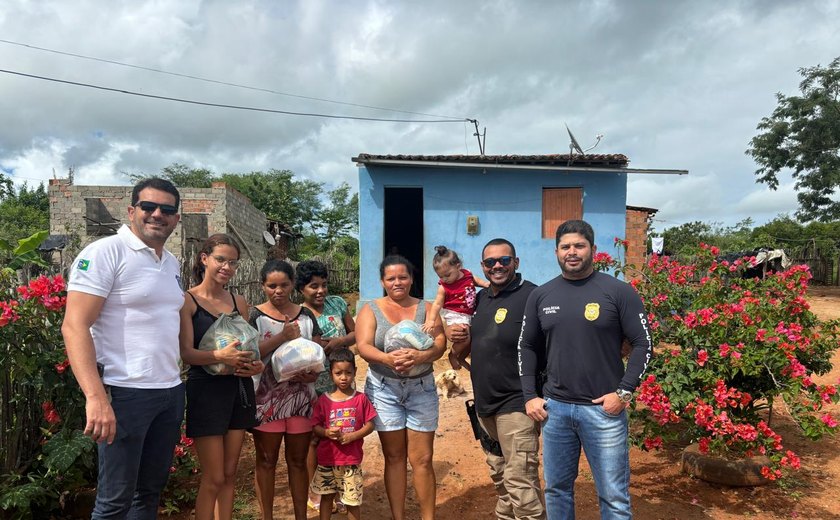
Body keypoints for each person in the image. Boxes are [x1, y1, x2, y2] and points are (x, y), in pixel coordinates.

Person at [62, 177, 186, 519]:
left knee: (148, 493)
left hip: (168, 391)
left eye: (167, 209)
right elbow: (74, 326)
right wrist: (96, 397)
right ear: (132, 211)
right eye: (149, 206)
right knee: (114, 500)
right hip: (125, 393)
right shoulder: (105, 253)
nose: (157, 214)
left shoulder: (171, 263)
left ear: (176, 218)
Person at [519, 220, 653, 520]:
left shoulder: (618, 292)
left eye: (579, 245)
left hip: (604, 411)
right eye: (565, 247)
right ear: (556, 252)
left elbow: (644, 343)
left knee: (614, 496)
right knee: (556, 490)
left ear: (593, 249)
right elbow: (526, 347)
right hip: (555, 411)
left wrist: (624, 392)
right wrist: (529, 395)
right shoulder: (541, 296)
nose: (572, 252)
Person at [447, 238, 546, 520]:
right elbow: (462, 351)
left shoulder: (532, 296)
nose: (497, 266)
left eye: (504, 260)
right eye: (490, 262)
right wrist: (459, 342)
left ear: (516, 262)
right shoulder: (479, 299)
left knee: (520, 481)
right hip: (484, 404)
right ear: (483, 267)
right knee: (500, 476)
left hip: (518, 403)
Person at [178, 234, 264, 520]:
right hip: (207, 393)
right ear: (204, 259)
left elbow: (249, 349)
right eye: (220, 260)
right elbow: (187, 354)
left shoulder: (239, 302)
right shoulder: (188, 301)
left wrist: (255, 366)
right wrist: (218, 357)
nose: (227, 267)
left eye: (233, 262)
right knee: (213, 477)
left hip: (238, 390)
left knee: (229, 475)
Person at [355, 255, 446, 520]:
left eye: (403, 277)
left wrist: (420, 357)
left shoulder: (427, 308)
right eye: (391, 278)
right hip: (385, 390)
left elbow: (440, 343)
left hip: (421, 387)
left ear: (412, 278)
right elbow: (364, 346)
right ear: (383, 281)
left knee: (423, 459)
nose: (398, 282)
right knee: (394, 457)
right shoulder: (370, 309)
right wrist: (389, 359)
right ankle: (399, 517)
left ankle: (427, 517)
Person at [249, 259, 324, 520]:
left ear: (293, 284)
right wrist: (282, 336)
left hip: (301, 399)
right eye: (271, 286)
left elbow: (318, 354)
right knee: (267, 461)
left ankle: (301, 516)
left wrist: (313, 373)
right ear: (262, 286)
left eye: (283, 285)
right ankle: (267, 516)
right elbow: (249, 353)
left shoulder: (305, 317)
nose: (278, 291)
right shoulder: (255, 316)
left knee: (298, 461)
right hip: (266, 399)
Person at [295, 259, 357, 513]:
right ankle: (317, 490)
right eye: (313, 286)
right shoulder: (297, 313)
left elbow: (357, 333)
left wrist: (340, 341)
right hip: (313, 386)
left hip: (340, 384)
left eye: (323, 285)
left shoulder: (338, 303)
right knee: (314, 439)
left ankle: (339, 489)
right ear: (301, 289)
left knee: (341, 435)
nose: (320, 291)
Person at [310, 348, 377, 520]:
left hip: (351, 460)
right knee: (327, 497)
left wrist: (352, 436)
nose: (343, 377)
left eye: (348, 372)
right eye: (338, 373)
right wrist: (325, 432)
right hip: (327, 459)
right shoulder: (324, 400)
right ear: (331, 373)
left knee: (352, 501)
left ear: (355, 372)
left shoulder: (360, 399)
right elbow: (315, 426)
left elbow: (370, 424)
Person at [422, 245, 489, 370]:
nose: (444, 279)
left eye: (447, 275)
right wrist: (431, 320)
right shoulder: (443, 287)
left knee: (470, 341)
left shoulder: (467, 274)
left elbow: (475, 280)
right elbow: (437, 304)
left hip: (469, 313)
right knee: (464, 338)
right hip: (455, 314)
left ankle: (462, 357)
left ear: (458, 266)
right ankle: (452, 355)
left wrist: (485, 284)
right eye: (440, 276)